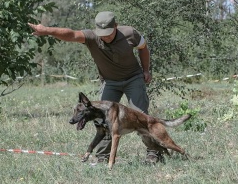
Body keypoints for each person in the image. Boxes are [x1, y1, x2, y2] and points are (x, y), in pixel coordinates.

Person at [28, 11, 163, 164]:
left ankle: (154, 153)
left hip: (133, 79)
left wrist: (146, 70)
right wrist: (46, 31)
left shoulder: (130, 33)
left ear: (116, 26)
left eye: (109, 34)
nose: (105, 37)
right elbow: (71, 34)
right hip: (110, 82)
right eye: (102, 34)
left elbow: (143, 48)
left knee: (141, 117)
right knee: (103, 118)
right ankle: (102, 157)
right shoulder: (92, 37)